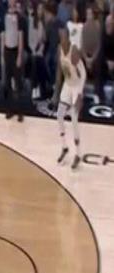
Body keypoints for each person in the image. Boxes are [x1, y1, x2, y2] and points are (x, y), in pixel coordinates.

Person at [56, 29, 85, 170]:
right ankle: (64, 147)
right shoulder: (59, 49)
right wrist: (56, 91)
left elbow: (83, 73)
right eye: (60, 37)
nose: (61, 40)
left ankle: (78, 154)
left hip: (76, 86)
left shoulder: (74, 51)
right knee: (59, 115)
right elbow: (60, 70)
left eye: (63, 37)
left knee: (74, 117)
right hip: (67, 84)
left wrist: (80, 93)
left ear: (67, 38)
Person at [1, 0, 25, 121]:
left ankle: (20, 111)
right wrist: (2, 54)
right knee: (8, 82)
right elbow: (3, 34)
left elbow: (21, 36)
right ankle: (9, 109)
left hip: (15, 51)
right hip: (7, 51)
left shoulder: (19, 17)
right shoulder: (4, 15)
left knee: (18, 82)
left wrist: (20, 55)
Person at [28, 1, 46, 100]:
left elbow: (44, 40)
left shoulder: (44, 23)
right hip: (32, 50)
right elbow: (30, 39)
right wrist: (34, 50)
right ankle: (34, 87)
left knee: (40, 61)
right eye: (39, 9)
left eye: (42, 9)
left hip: (41, 51)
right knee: (35, 60)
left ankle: (38, 87)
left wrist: (40, 50)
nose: (40, 11)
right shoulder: (31, 21)